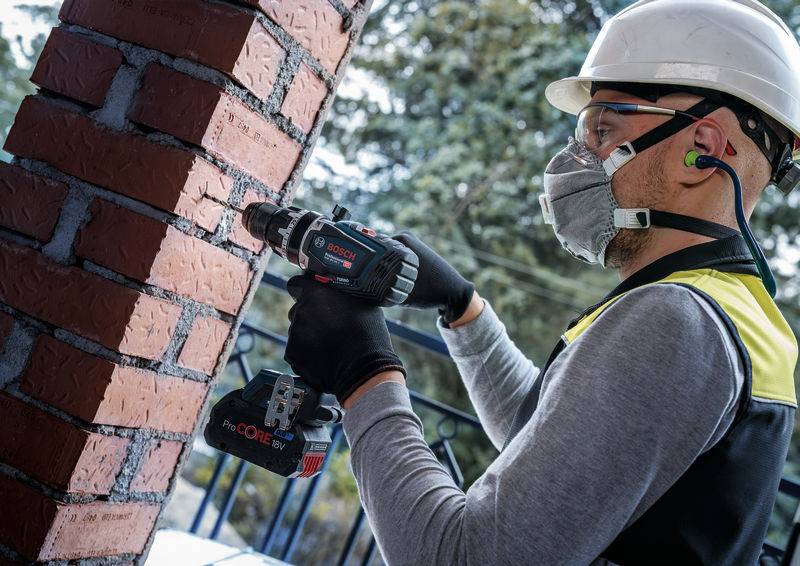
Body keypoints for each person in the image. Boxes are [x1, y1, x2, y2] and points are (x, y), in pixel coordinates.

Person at [283, 0, 800, 563]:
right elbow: (562, 454)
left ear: (701, 149)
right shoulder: (735, 310)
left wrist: (362, 373)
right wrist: (464, 309)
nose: (575, 159)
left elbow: (466, 558)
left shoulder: (675, 320)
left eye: (603, 127)